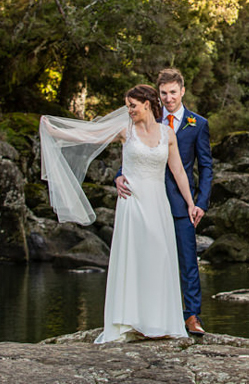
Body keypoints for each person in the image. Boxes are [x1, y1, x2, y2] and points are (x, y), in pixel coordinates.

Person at [40, 84, 200, 341]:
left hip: (158, 204)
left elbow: (179, 172)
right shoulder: (125, 130)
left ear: (147, 104)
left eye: (133, 106)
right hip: (133, 203)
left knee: (159, 257)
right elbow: (89, 136)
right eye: (128, 106)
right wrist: (55, 132)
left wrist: (190, 203)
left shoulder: (168, 134)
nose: (129, 111)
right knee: (135, 259)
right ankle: (129, 322)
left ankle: (159, 322)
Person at [116, 68, 213, 335]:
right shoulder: (146, 118)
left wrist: (200, 202)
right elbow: (132, 152)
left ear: (182, 92)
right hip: (146, 199)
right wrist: (118, 176)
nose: (169, 98)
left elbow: (205, 167)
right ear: (157, 95)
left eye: (173, 92)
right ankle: (145, 314)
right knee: (147, 257)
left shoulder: (198, 124)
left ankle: (192, 316)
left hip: (181, 204)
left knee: (187, 260)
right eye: (164, 93)